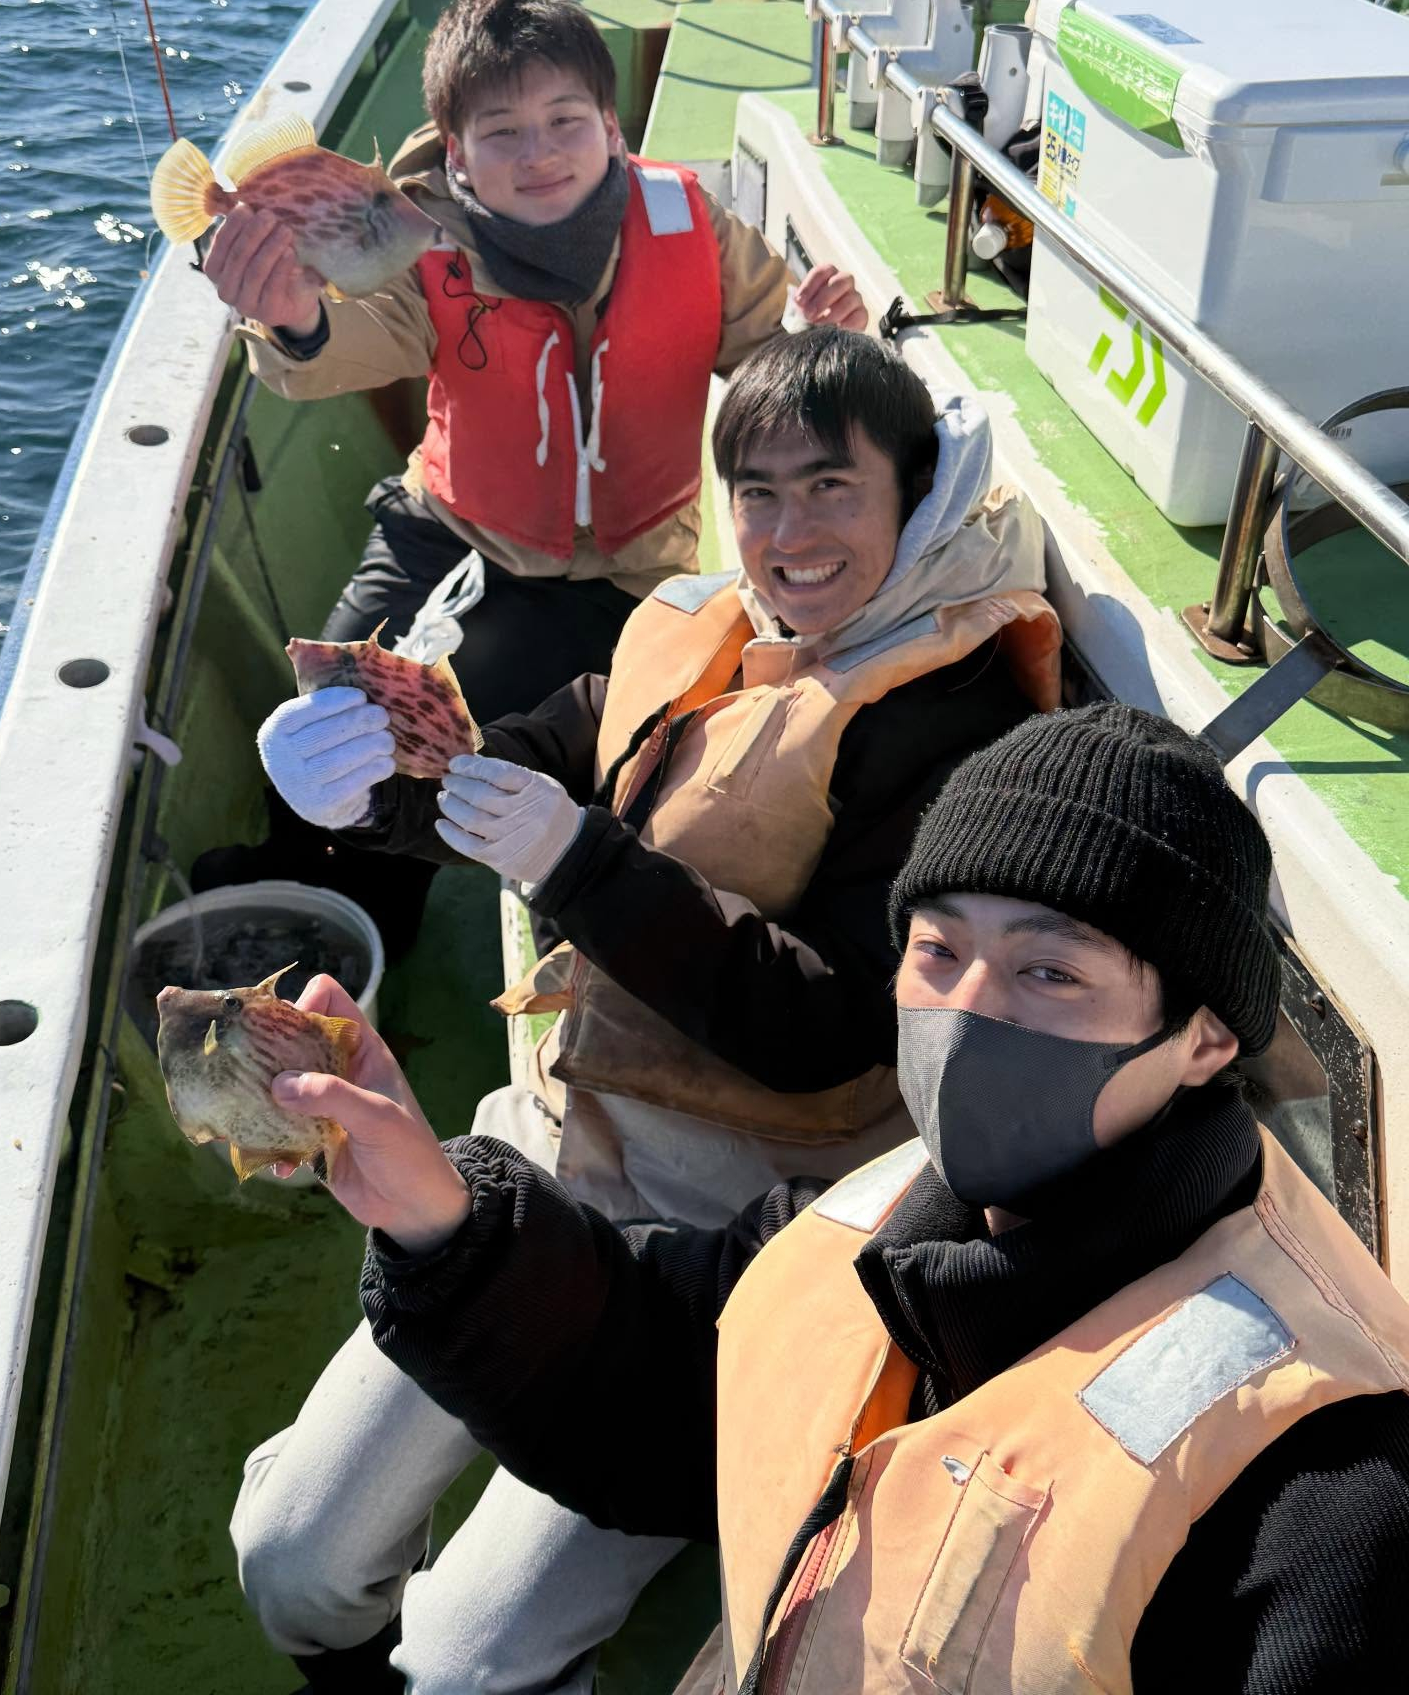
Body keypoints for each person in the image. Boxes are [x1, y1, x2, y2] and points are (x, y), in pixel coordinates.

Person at [230, 326, 1062, 1691]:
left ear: (915, 496)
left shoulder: (961, 729)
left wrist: (580, 861)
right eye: (758, 493)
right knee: (289, 1557)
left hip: (741, 1227)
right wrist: (372, 787)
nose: (788, 534)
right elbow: (529, 761)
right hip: (556, 1133)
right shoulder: (705, 629)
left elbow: (833, 1024)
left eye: (832, 488)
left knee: (468, 1660)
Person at [280, 703, 1409, 1695]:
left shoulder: (1332, 1481)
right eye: (938, 951)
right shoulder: (887, 1206)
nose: (968, 1015)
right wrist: (439, 1216)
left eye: (1050, 972)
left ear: (1206, 1037)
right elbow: (663, 1387)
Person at [207, 0, 866, 723]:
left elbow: (765, 359)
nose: (539, 154)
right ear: (456, 151)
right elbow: (363, 333)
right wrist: (295, 318)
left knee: (620, 753)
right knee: (329, 731)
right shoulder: (421, 236)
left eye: (565, 121)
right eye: (502, 132)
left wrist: (815, 341)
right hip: (448, 534)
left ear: (610, 126)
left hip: (632, 570)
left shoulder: (688, 221)